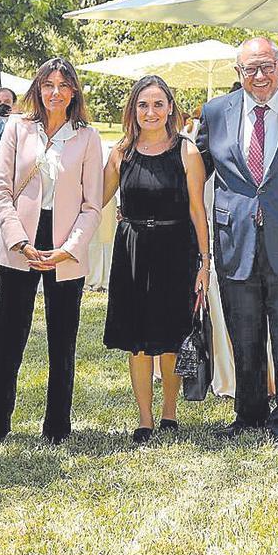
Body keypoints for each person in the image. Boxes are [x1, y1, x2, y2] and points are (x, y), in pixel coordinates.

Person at [195, 37, 278, 449]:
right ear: (238, 73)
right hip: (235, 243)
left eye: (267, 66)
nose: (260, 76)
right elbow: (192, 169)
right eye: (251, 69)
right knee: (244, 335)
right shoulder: (215, 112)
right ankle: (248, 414)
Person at [0, 58, 103, 445]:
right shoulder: (17, 128)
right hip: (20, 244)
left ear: (74, 91)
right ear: (37, 89)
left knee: (63, 338)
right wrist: (17, 240)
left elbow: (92, 205)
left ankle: (57, 428)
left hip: (65, 247)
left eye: (63, 85)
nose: (55, 92)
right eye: (48, 85)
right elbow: (0, 190)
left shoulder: (88, 137)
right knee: (6, 336)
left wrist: (69, 249)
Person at [102, 75, 210, 443]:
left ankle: (169, 414)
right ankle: (144, 419)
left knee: (169, 336)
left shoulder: (187, 152)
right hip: (131, 249)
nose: (151, 112)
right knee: (137, 339)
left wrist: (205, 262)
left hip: (175, 248)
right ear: (133, 109)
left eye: (158, 104)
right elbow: (93, 200)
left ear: (170, 109)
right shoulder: (121, 153)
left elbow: (198, 211)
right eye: (143, 105)